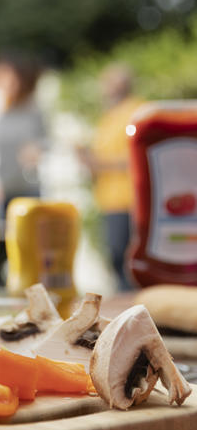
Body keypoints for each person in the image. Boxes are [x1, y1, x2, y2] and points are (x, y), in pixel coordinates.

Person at [79, 63, 143, 290]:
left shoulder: (137, 112)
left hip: (131, 199)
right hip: (110, 199)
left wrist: (99, 163)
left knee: (129, 261)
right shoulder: (108, 117)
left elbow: (137, 157)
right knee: (116, 259)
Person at [0, 50, 48, 214]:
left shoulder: (32, 111)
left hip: (27, 188)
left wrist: (36, 150)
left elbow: (44, 142)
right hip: (1, 191)